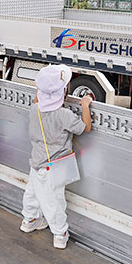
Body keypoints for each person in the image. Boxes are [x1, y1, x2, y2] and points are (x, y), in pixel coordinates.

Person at [21, 64, 92, 250]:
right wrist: (85, 105)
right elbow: (84, 128)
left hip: (36, 162)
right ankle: (60, 234)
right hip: (55, 166)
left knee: (32, 193)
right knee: (54, 201)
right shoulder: (63, 115)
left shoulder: (34, 108)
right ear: (63, 92)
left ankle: (29, 220)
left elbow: (39, 98)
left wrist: (45, 85)